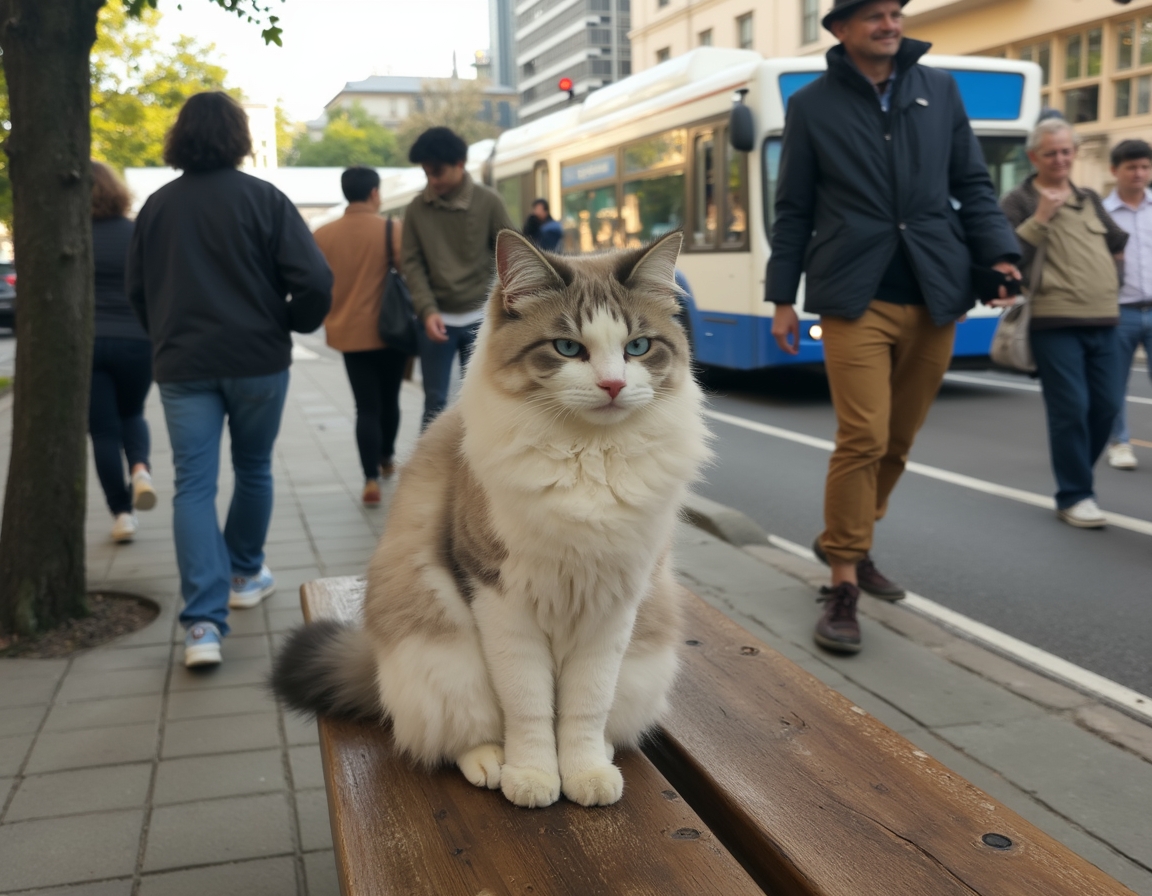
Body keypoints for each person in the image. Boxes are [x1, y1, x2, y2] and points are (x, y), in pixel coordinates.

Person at [766, 0, 1021, 655]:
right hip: (854, 295)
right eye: (873, 14)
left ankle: (847, 534)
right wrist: (782, 299)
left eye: (894, 11)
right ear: (841, 30)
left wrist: (999, 254)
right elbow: (793, 209)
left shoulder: (939, 89)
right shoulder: (811, 105)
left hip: (936, 289)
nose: (889, 22)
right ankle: (844, 580)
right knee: (864, 436)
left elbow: (972, 181)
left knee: (899, 440)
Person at [127, 92, 332, 668]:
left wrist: (164, 334)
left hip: (183, 365)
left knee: (193, 485)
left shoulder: (158, 207)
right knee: (254, 466)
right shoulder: (265, 199)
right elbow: (314, 277)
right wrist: (290, 323)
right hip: (258, 359)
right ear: (240, 136)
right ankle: (246, 573)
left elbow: (138, 292)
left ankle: (201, 628)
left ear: (179, 136)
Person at [1001, 118, 1127, 529]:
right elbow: (1007, 256)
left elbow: (1116, 244)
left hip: (1106, 317)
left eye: (1066, 151)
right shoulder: (1018, 200)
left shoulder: (1089, 196)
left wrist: (1113, 284)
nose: (1060, 159)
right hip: (1054, 322)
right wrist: (1040, 217)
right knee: (1071, 409)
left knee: (1106, 408)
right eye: (1051, 153)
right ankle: (1075, 494)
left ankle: (1078, 478)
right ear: (1034, 156)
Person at [401, 126, 515, 427]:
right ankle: (431, 470)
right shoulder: (416, 208)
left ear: (460, 164)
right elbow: (411, 263)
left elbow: (512, 255)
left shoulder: (488, 202)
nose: (432, 180)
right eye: (427, 173)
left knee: (484, 400)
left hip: (481, 317)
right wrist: (427, 311)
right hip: (437, 319)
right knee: (435, 401)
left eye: (437, 172)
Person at [313, 166, 408, 506]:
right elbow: (409, 273)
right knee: (391, 400)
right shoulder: (390, 230)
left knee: (365, 407)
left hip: (348, 334)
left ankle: (369, 480)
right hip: (390, 332)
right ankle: (386, 459)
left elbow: (315, 283)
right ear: (373, 193)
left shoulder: (323, 235)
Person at [89, 161, 156, 544]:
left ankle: (122, 514)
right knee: (133, 413)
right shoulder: (136, 234)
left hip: (91, 343)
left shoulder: (72, 236)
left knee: (102, 431)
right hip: (136, 341)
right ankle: (141, 469)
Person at [1102, 139, 1152, 472]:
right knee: (1114, 382)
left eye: (1145, 167)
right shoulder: (1102, 214)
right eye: (1131, 167)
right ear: (1114, 170)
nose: (1139, 173)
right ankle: (1119, 443)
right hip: (1119, 311)